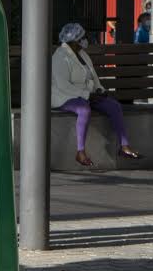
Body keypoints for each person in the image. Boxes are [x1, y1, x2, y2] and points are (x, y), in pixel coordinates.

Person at [50, 23, 141, 166]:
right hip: (65, 96)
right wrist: (87, 95)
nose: (86, 39)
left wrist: (100, 90)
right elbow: (63, 85)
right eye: (83, 37)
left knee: (114, 106)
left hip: (87, 94)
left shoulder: (82, 54)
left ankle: (124, 146)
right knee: (83, 109)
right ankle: (80, 152)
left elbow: (93, 76)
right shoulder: (60, 57)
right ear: (75, 40)